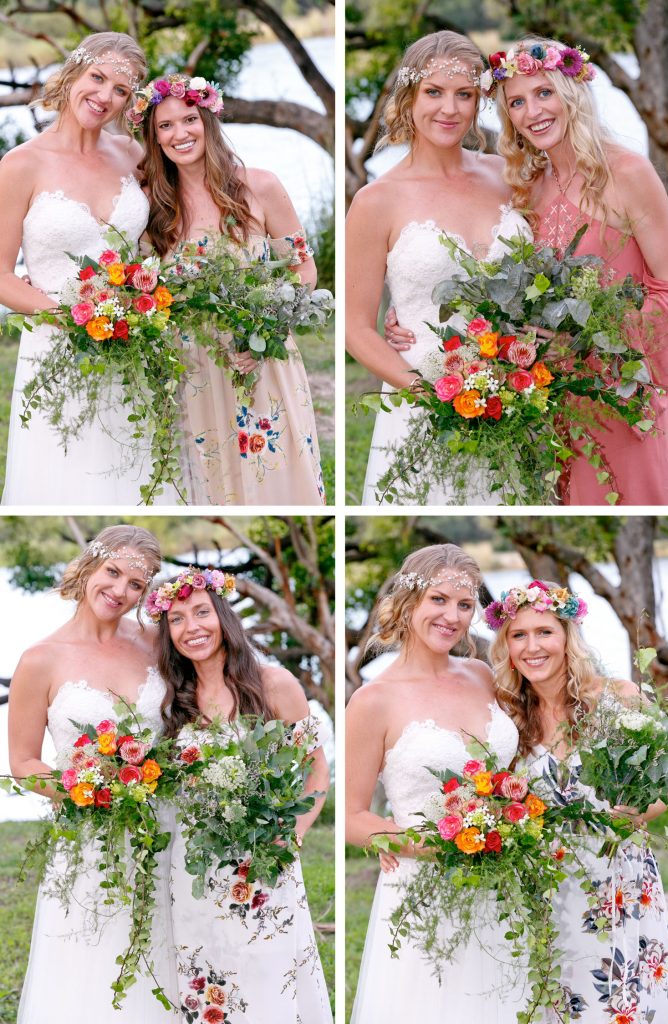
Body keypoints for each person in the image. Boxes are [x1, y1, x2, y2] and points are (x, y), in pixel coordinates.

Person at [387, 36, 668, 505]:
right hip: (545, 407)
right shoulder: (526, 188)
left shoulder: (627, 173)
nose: (533, 112)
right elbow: (495, 273)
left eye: (544, 93)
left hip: (622, 395)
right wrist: (413, 302)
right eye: (517, 102)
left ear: (572, 93)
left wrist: (591, 344)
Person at [345, 31, 531, 505]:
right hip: (423, 403)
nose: (449, 109)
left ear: (478, 101)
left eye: (464, 94)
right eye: (434, 92)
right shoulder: (375, 201)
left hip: (517, 400)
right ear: (409, 97)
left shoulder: (508, 175)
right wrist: (432, 396)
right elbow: (355, 328)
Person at [488, 580, 668, 1019]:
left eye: (545, 632)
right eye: (519, 635)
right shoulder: (506, 717)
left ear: (567, 637)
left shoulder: (618, 698)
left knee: (621, 1003)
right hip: (544, 887)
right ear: (506, 647)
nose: (532, 646)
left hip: (617, 883)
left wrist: (638, 811)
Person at [346, 544, 524, 1021]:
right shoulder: (373, 700)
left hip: (500, 884)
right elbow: (351, 817)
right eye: (438, 600)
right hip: (423, 890)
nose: (452, 617)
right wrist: (418, 843)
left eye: (464, 605)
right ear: (409, 603)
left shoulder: (483, 675)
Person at [8, 525, 178, 1022]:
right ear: (89, 566)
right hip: (86, 836)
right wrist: (88, 788)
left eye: (137, 584)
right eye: (113, 572)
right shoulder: (39, 660)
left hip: (163, 830)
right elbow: (23, 764)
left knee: (163, 956)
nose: (120, 590)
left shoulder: (158, 645)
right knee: (89, 961)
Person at [0, 34, 177, 505]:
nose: (104, 97)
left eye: (120, 90)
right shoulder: (20, 165)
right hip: (58, 348)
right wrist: (74, 318)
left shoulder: (133, 155)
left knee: (138, 467)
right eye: (97, 78)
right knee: (67, 470)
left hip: (135, 344)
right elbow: (1, 275)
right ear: (73, 73)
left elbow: (165, 238)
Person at [150, 569, 332, 1022]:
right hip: (194, 867)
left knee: (267, 975)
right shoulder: (173, 699)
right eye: (177, 619)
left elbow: (316, 771)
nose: (191, 628)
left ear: (224, 617)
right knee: (207, 984)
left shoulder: (274, 684)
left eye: (201, 613)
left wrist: (293, 833)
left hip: (263, 862)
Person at [135, 75, 326, 505]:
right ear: (154, 137)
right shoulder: (151, 206)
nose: (180, 134)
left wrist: (266, 332)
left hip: (259, 357)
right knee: (210, 478)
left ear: (208, 120)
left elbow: (304, 269)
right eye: (165, 126)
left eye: (189, 120)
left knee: (276, 473)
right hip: (191, 366)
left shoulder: (260, 185)